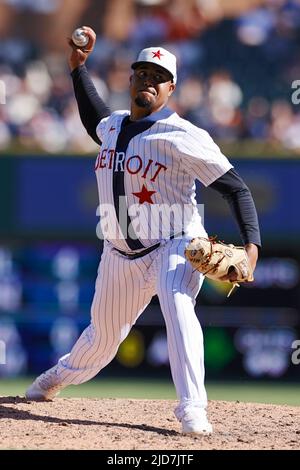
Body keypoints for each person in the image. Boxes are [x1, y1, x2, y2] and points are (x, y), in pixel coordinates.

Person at [25, 27, 261, 435]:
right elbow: (93, 118)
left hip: (175, 241)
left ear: (171, 88)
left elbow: (235, 188)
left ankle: (192, 409)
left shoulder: (184, 135)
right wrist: (79, 69)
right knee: (101, 342)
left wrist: (252, 247)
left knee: (177, 304)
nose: (148, 82)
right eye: (142, 74)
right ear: (131, 79)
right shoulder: (113, 127)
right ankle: (58, 376)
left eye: (157, 78)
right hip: (119, 253)